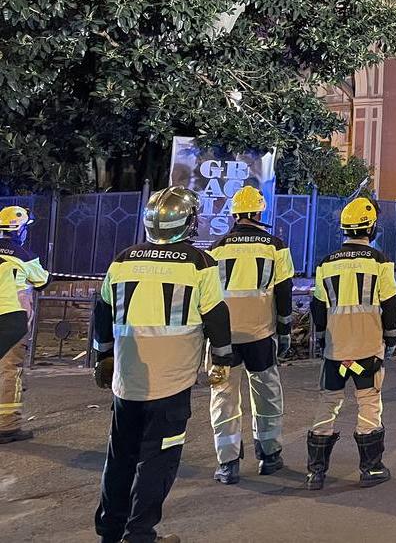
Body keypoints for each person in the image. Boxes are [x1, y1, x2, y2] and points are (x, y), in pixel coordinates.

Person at [93, 186, 234, 543]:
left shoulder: (122, 260)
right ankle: (139, 534)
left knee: (121, 456)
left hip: (127, 382)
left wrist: (104, 356)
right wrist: (222, 359)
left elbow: (102, 311)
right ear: (189, 222)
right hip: (171, 384)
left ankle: (110, 530)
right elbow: (216, 316)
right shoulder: (199, 264)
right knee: (158, 460)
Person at [306, 196, 396, 491]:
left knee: (328, 402)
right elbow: (391, 301)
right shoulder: (379, 261)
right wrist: (391, 335)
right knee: (369, 403)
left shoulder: (326, 263)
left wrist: (321, 336)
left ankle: (316, 472)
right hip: (367, 348)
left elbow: (318, 305)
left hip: (336, 349)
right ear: (370, 228)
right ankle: (370, 468)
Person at [207, 185, 295, 484]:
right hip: (260, 335)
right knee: (267, 392)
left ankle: (227, 464)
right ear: (259, 212)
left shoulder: (216, 248)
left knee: (224, 396)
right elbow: (284, 291)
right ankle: (269, 456)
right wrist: (284, 331)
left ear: (234, 213)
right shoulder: (275, 246)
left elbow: (207, 298)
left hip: (223, 338)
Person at [0, 206, 49, 443]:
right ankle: (7, 425)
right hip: (10, 318)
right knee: (10, 370)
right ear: (20, 230)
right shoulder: (23, 255)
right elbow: (42, 281)